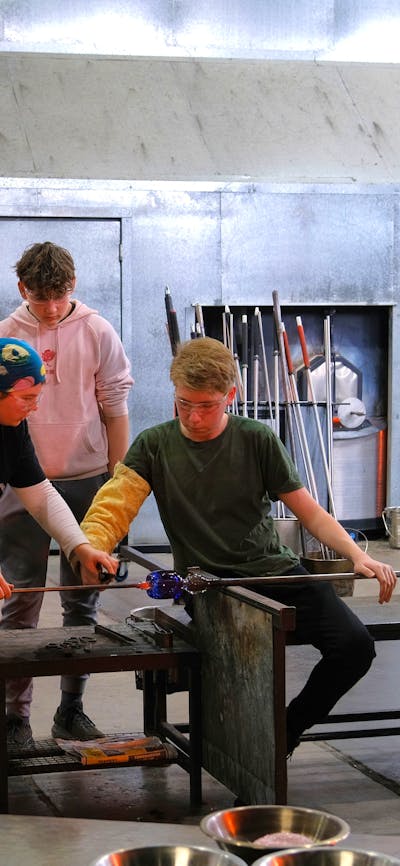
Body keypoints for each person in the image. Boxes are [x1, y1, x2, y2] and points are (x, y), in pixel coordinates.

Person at [78, 336, 397, 756]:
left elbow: (310, 513)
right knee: (240, 668)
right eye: (183, 403)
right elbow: (114, 504)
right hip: (211, 586)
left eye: (206, 405)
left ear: (230, 395)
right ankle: (233, 743)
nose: (192, 417)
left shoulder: (256, 439)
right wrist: (92, 547)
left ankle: (285, 731)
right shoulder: (155, 445)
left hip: (274, 573)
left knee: (354, 647)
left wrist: (358, 555)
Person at [0, 242, 133, 746]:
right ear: (22, 290)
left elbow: (114, 403)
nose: (51, 309)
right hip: (17, 485)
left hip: (81, 478)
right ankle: (15, 717)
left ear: (72, 288)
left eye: (59, 297)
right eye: (40, 298)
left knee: (84, 596)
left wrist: (115, 486)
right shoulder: (7, 338)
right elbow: (28, 488)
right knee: (20, 599)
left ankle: (71, 709)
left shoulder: (97, 330)